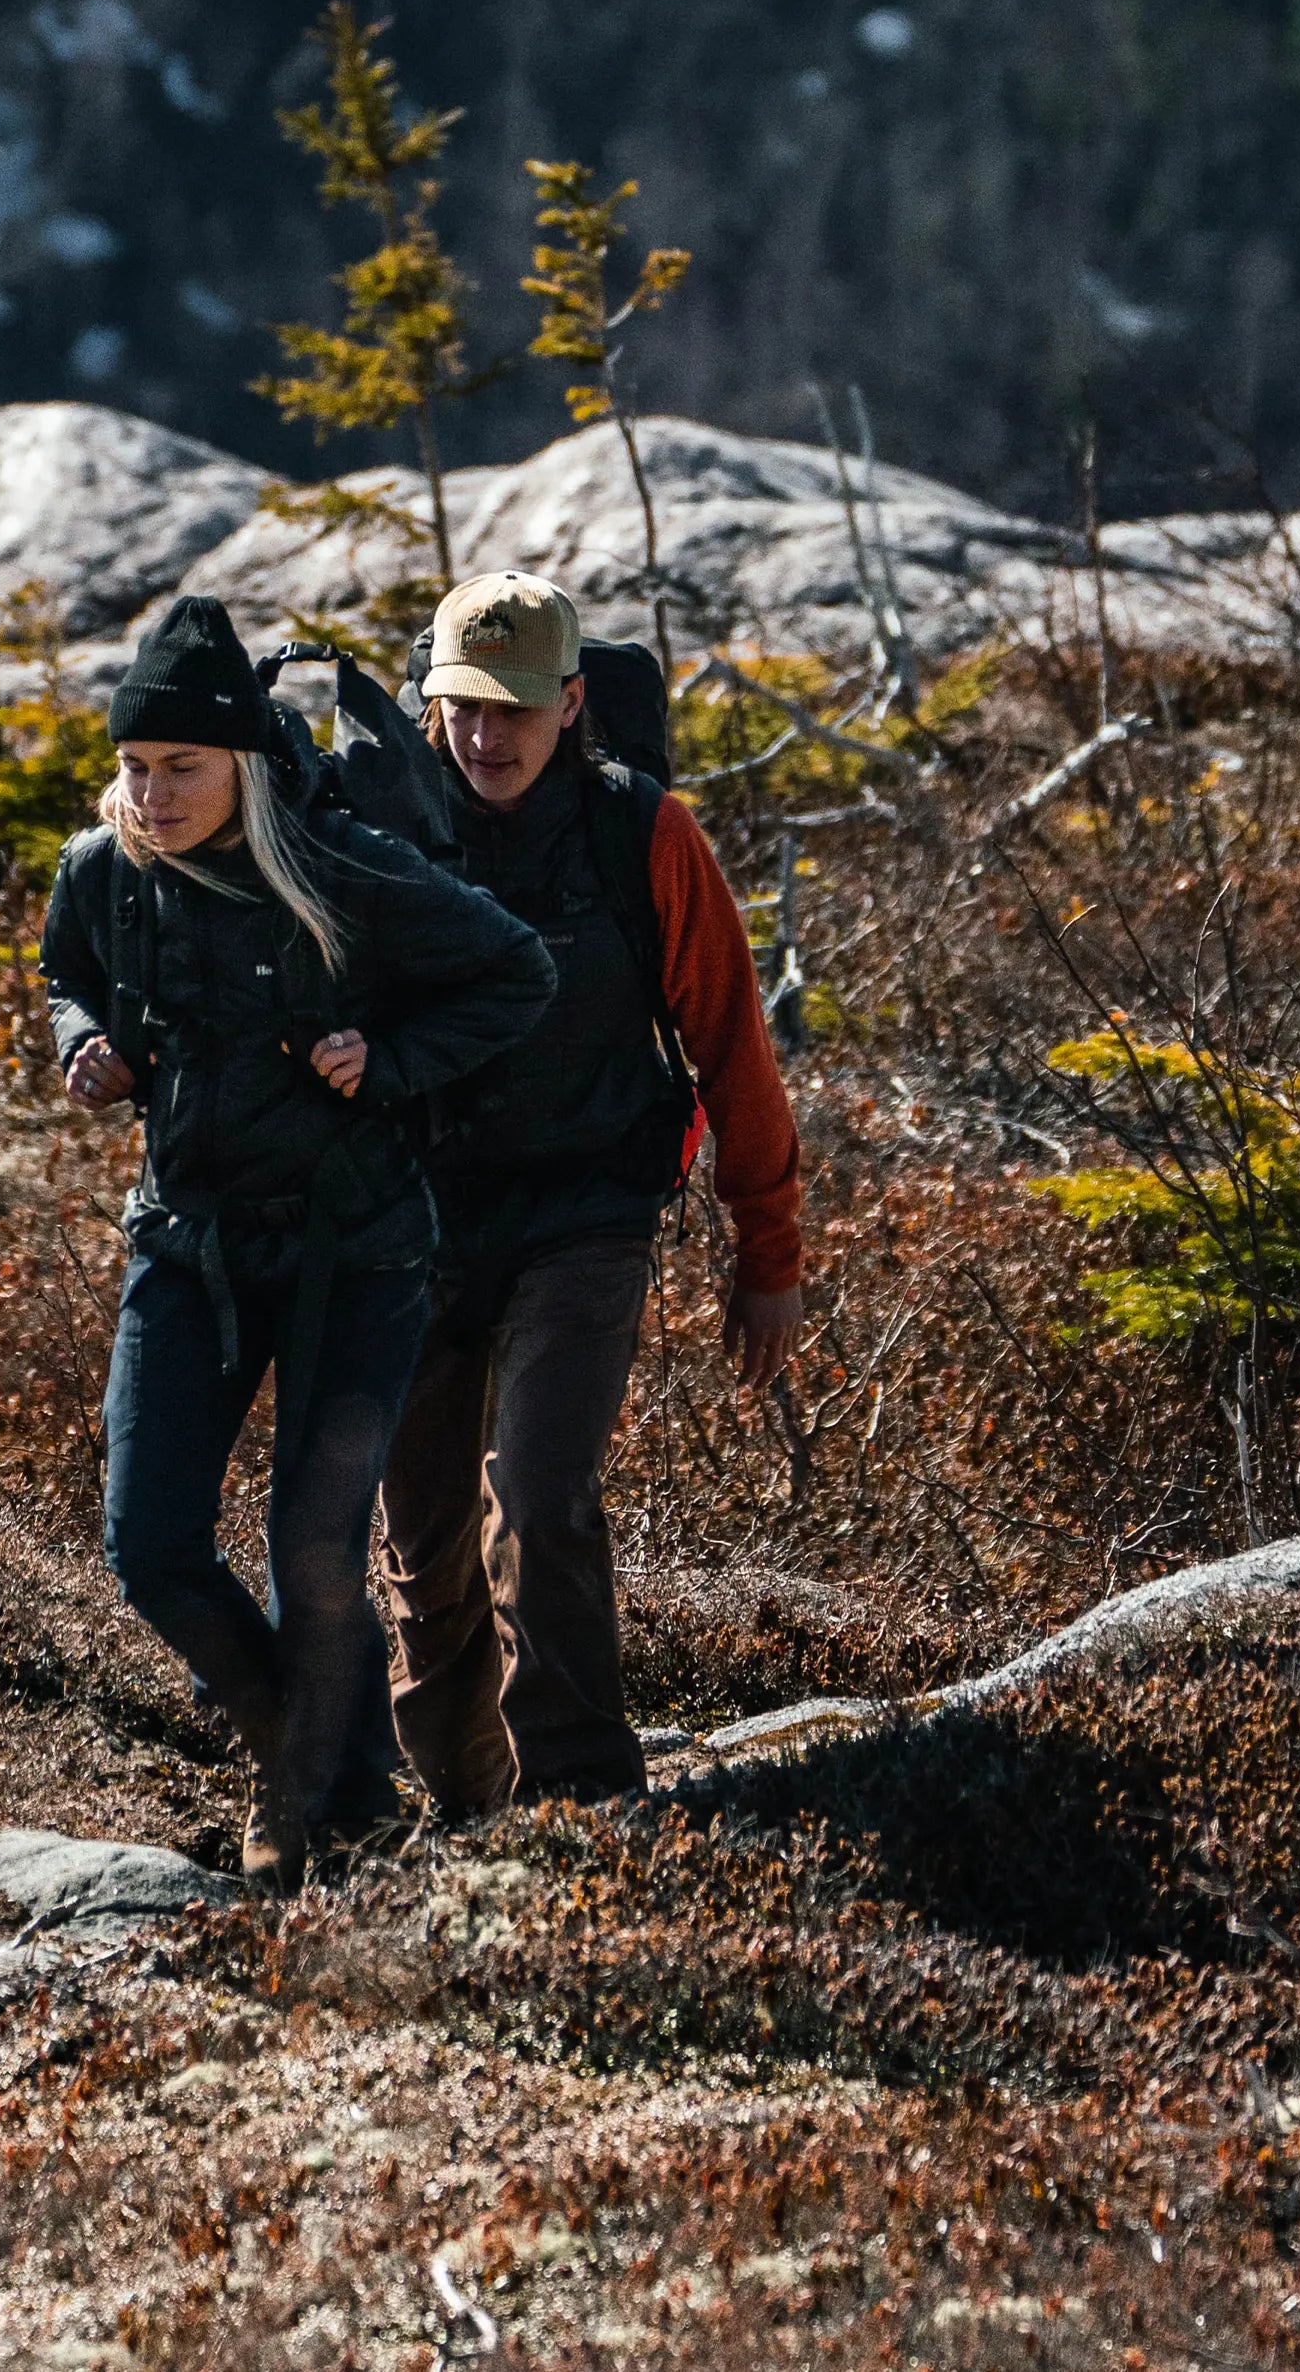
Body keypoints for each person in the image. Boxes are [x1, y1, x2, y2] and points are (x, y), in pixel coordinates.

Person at [42, 594, 556, 1892]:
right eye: (137, 770)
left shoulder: (341, 866)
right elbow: (67, 974)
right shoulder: (104, 875)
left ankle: (317, 1812)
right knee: (148, 1544)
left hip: (359, 1259)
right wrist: (78, 1044)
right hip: (189, 1251)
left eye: (182, 771)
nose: (152, 797)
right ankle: (310, 1749)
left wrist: (389, 1061)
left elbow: (516, 975)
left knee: (313, 1553)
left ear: (245, 768)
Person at [378, 571, 804, 1819]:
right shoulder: (384, 829)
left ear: (571, 703)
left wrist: (766, 1252)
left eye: (513, 707)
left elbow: (733, 1048)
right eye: (461, 705)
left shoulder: (645, 836)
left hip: (587, 1219)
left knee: (541, 1487)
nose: (485, 735)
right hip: (417, 1224)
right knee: (420, 1537)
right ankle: (463, 1806)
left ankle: (583, 1807)